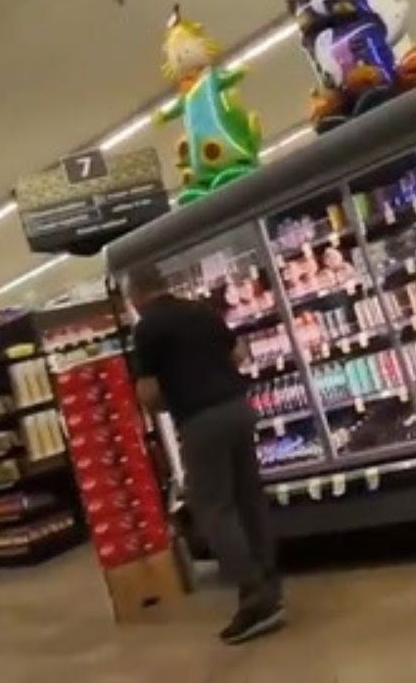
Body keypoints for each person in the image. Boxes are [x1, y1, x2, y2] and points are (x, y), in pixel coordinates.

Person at [126, 265, 284, 644]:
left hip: (200, 420)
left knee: (213, 507)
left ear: (136, 296)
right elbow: (239, 354)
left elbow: (148, 393)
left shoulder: (147, 328)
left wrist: (172, 399)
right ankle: (270, 580)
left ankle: (254, 594)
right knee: (249, 498)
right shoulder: (200, 310)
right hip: (238, 408)